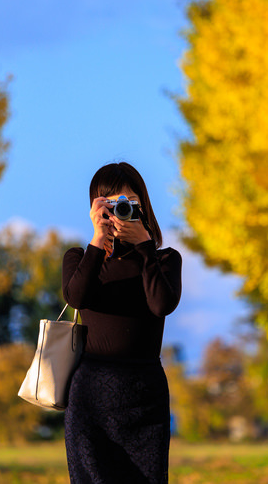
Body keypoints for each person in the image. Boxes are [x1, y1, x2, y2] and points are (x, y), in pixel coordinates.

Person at [62, 162, 182, 484]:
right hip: (90, 398)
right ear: (95, 209)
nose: (119, 213)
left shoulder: (165, 260)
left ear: (142, 207)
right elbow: (77, 297)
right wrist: (97, 241)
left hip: (146, 396)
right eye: (110, 205)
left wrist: (145, 247)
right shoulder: (79, 258)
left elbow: (161, 305)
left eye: (127, 204)